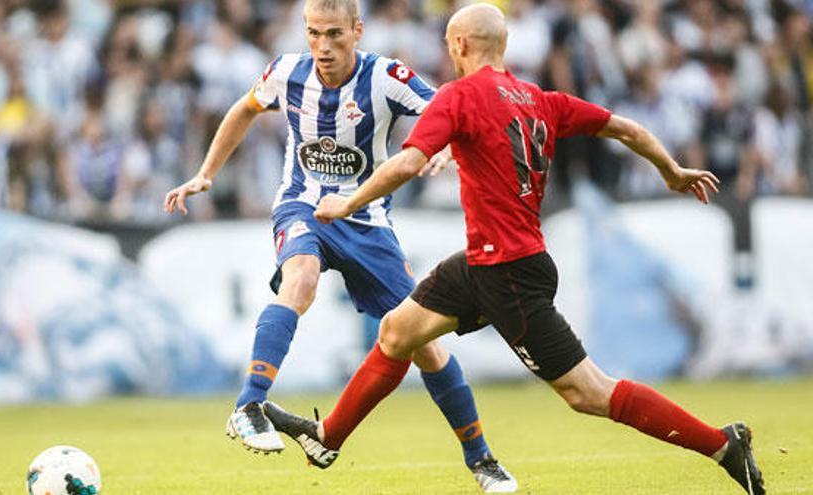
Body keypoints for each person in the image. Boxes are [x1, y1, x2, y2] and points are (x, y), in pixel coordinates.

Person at [262, 4, 765, 495]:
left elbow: (409, 163)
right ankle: (328, 438)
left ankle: (723, 445)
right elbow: (625, 128)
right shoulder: (540, 99)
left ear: (459, 45)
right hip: (487, 261)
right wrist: (671, 171)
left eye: (448, 44)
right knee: (397, 330)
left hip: (509, 274)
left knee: (587, 392)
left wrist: (348, 201)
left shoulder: (459, 97)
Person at [163, 1, 517, 492]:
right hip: (302, 206)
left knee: (425, 346)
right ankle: (248, 405)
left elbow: (449, 111)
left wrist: (443, 148)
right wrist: (206, 173)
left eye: (333, 34)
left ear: (357, 30)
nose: (323, 47)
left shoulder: (387, 76)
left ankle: (481, 460)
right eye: (313, 34)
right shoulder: (285, 72)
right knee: (300, 279)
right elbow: (243, 109)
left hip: (368, 221)